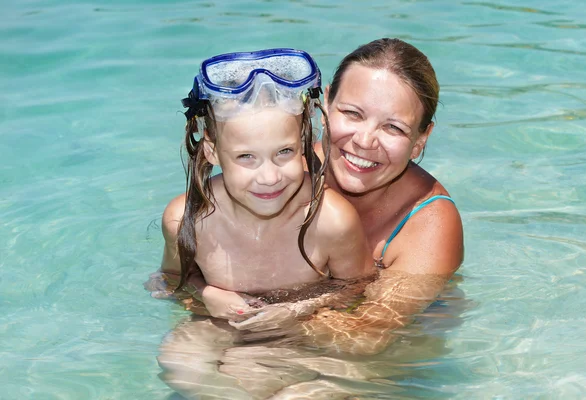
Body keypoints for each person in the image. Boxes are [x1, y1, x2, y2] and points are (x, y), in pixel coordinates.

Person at [186, 38, 465, 356]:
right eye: (353, 114)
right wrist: (203, 293)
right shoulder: (279, 170)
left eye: (393, 128)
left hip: (383, 353)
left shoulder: (429, 223)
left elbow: (368, 335)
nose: (364, 141)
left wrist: (284, 313)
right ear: (325, 105)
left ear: (420, 139)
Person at [154, 48, 377, 399]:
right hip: (222, 326)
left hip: (306, 333)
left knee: (278, 384)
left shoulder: (330, 220)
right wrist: (206, 294)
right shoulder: (188, 218)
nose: (269, 176)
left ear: (304, 138)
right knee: (179, 360)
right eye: (246, 157)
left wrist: (298, 309)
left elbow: (361, 294)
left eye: (284, 152)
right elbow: (170, 282)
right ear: (212, 151)